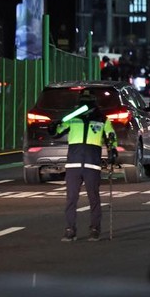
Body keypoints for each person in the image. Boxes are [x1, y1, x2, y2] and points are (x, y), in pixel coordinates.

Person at [52, 90, 117, 241]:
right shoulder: (73, 118)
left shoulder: (102, 120)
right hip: (74, 163)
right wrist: (54, 126)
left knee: (93, 198)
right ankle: (70, 229)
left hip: (92, 164)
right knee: (71, 199)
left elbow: (111, 136)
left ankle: (95, 229)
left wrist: (112, 150)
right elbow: (57, 131)